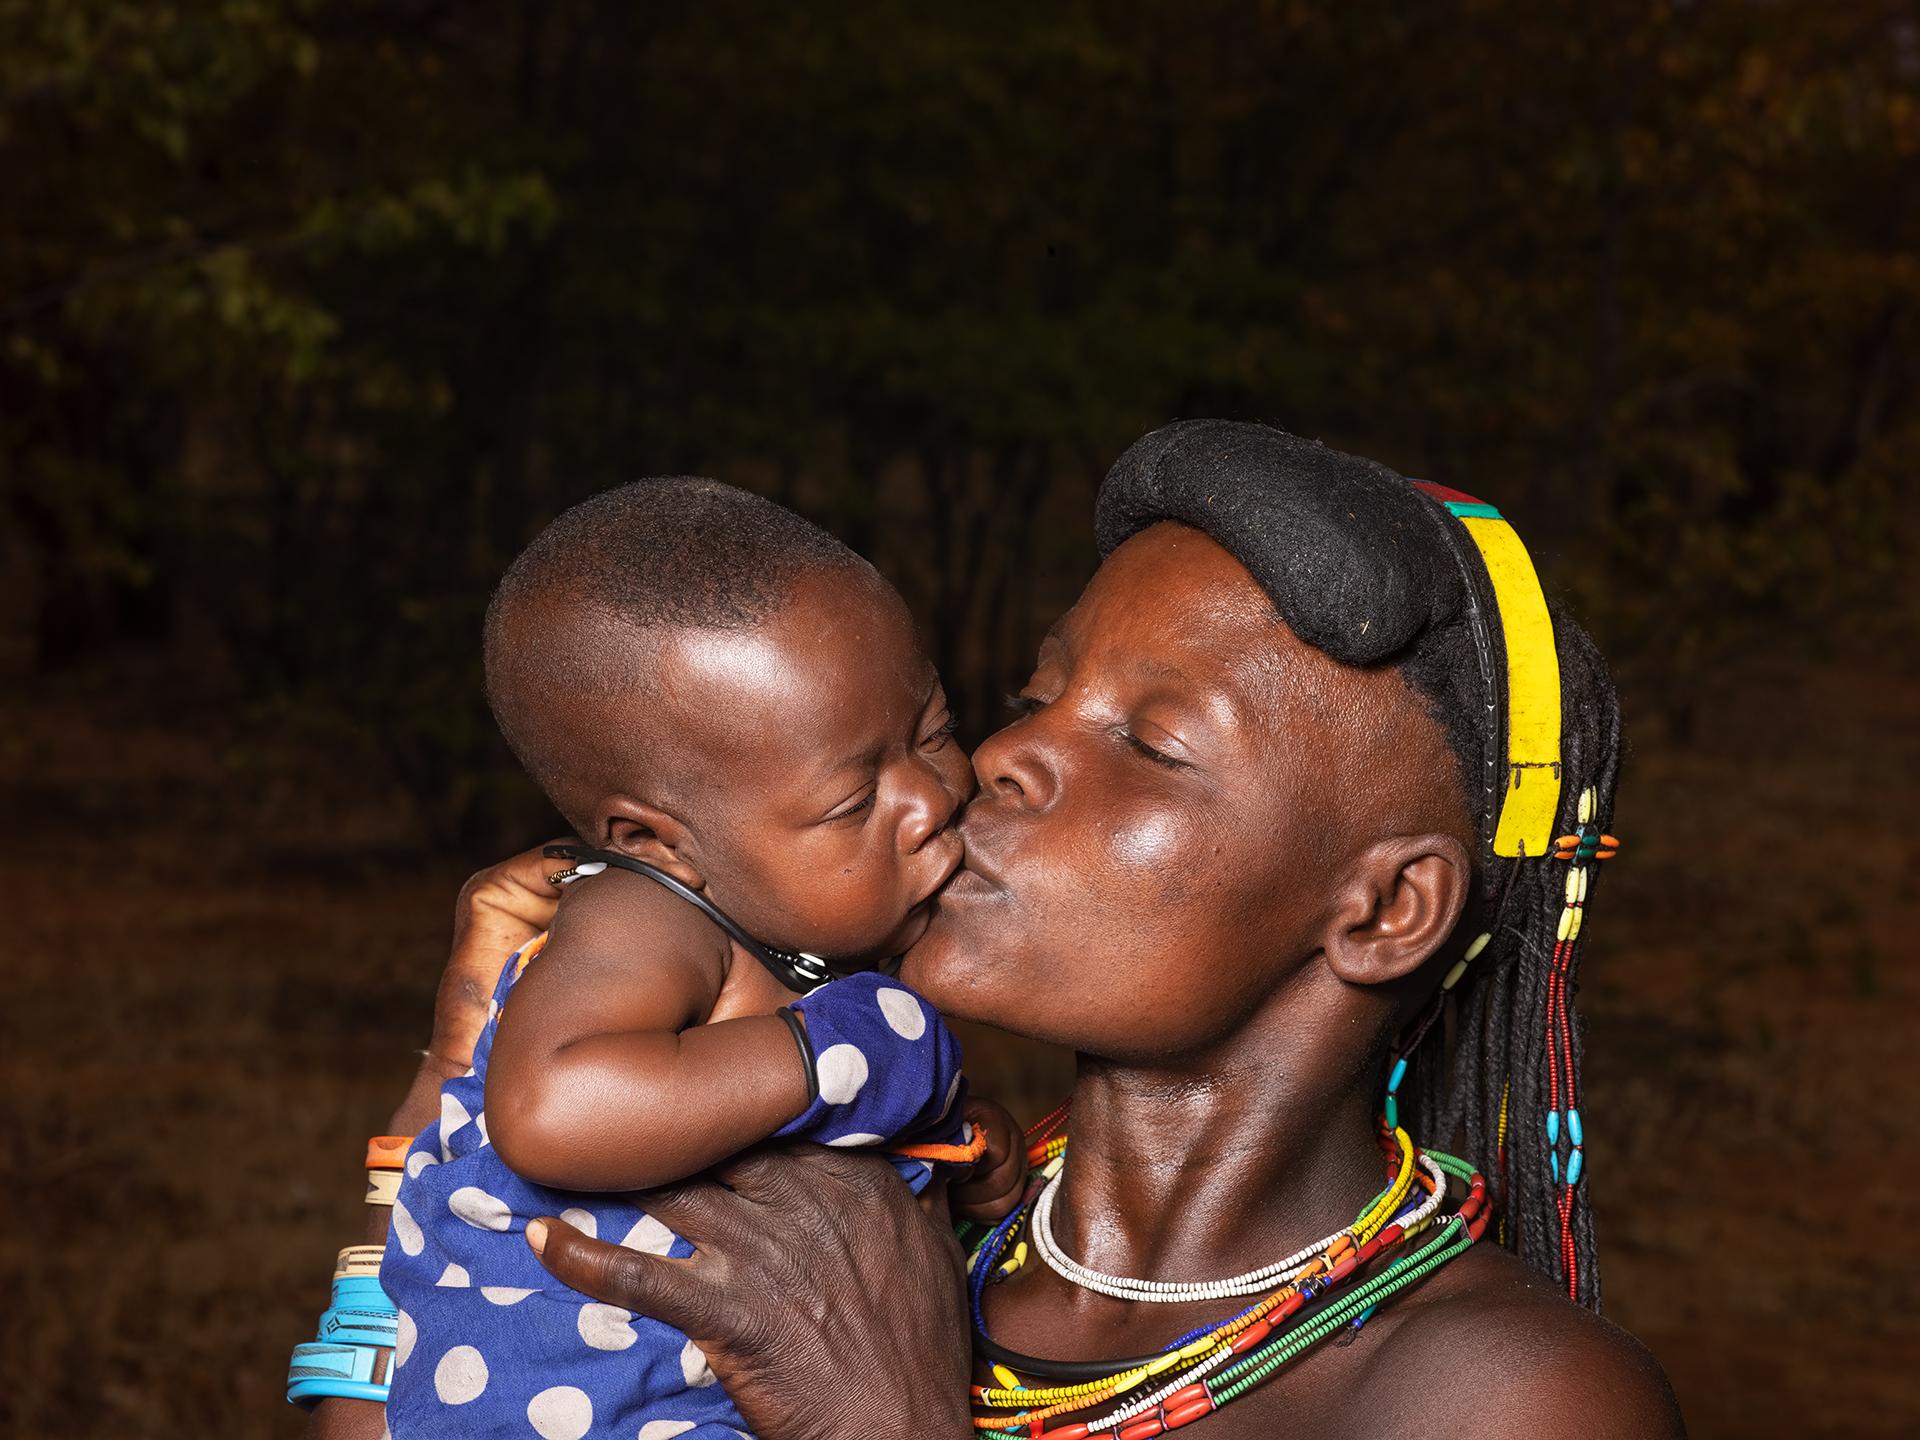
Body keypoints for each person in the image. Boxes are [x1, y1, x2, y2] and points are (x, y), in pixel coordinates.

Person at [308, 422, 1683, 1439]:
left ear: (1384, 911)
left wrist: (894, 1424)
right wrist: (444, 1096)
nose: (1010, 756)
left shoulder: (1501, 1397)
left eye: (1150, 742)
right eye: (1035, 692)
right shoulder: (878, 1206)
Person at [349, 479, 1024, 1439]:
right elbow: (552, 1107)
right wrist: (837, 1058)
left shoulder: (808, 939)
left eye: (934, 731)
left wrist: (943, 1147)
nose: (928, 799)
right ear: (661, 844)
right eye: (849, 802)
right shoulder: (644, 918)